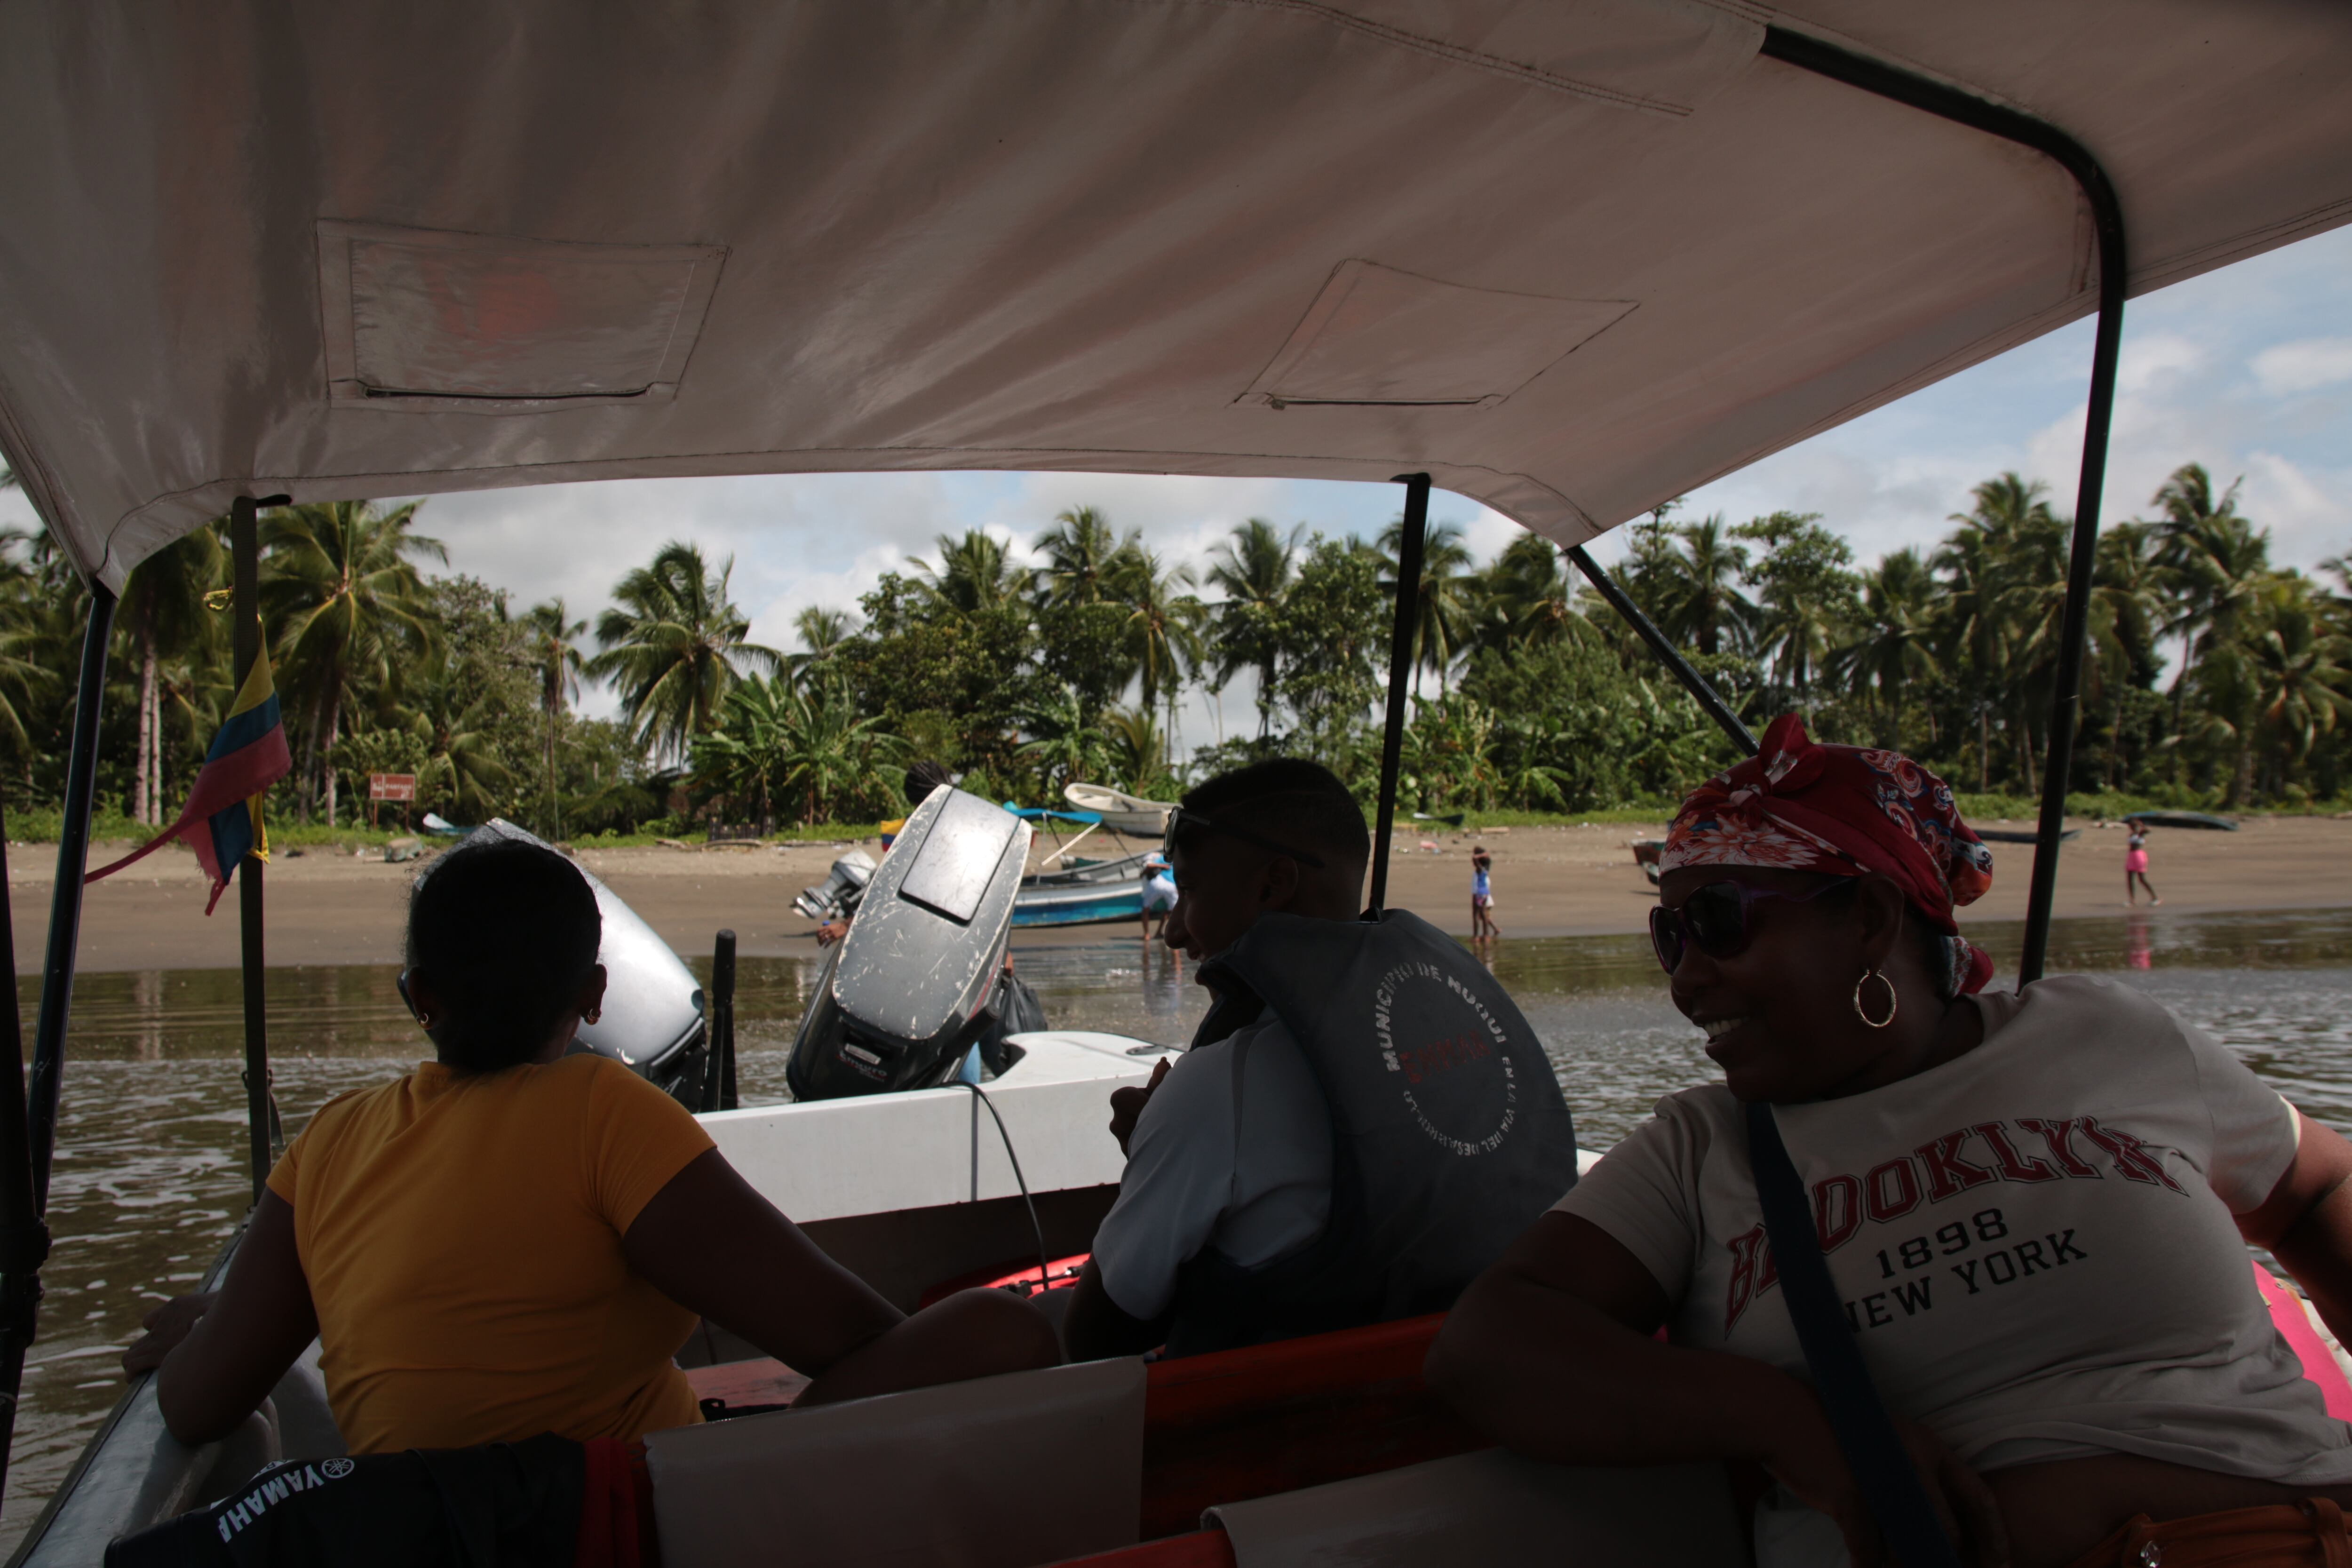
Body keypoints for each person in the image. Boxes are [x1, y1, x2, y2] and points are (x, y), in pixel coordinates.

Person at [1428, 715, 2352, 1568]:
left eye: (1716, 923)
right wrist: (1796, 1425)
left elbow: (2314, 1188)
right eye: (1670, 937)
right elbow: (1491, 1344)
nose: (1687, 979)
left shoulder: (2104, 1033)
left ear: (1867, 918)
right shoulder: (1699, 1148)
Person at [126, 837, 1059, 1452]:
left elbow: (200, 1402)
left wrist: (202, 1329)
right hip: (608, 1524)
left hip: (423, 1528)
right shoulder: (602, 1110)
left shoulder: (331, 1140)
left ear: (420, 998)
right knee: (1003, 1327)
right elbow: (846, 1339)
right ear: (594, 994)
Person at [1062, 759, 1579, 1361]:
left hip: (1295, 1420)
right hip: (1484, 1372)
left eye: (1191, 891)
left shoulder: (1217, 1087)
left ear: (1271, 885)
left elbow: (1096, 1338)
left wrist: (1150, 1147)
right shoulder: (1469, 1017)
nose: (1175, 931)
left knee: (991, 1323)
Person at [1139, 852, 1176, 940]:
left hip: (1158, 883)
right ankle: (1169, 934)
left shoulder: (1160, 858)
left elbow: (1149, 866)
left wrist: (1142, 874)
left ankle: (1147, 935)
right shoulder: (1176, 860)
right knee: (1173, 912)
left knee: (1146, 909)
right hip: (1172, 886)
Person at [2125, 821, 2160, 907]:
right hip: (2131, 856)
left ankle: (2155, 898)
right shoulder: (2132, 835)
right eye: (2132, 826)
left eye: (2135, 826)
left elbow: (2148, 830)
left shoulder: (2141, 834)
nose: (2134, 828)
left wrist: (2142, 826)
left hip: (2139, 856)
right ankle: (2132, 900)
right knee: (2130, 878)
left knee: (2142, 879)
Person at [1470, 846, 1500, 941]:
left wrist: (1477, 856)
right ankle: (1486, 935)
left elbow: (1474, 858)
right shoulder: (1486, 870)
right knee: (1483, 914)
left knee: (1476, 914)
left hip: (1478, 893)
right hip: (1485, 893)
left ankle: (1476, 936)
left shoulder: (1479, 869)